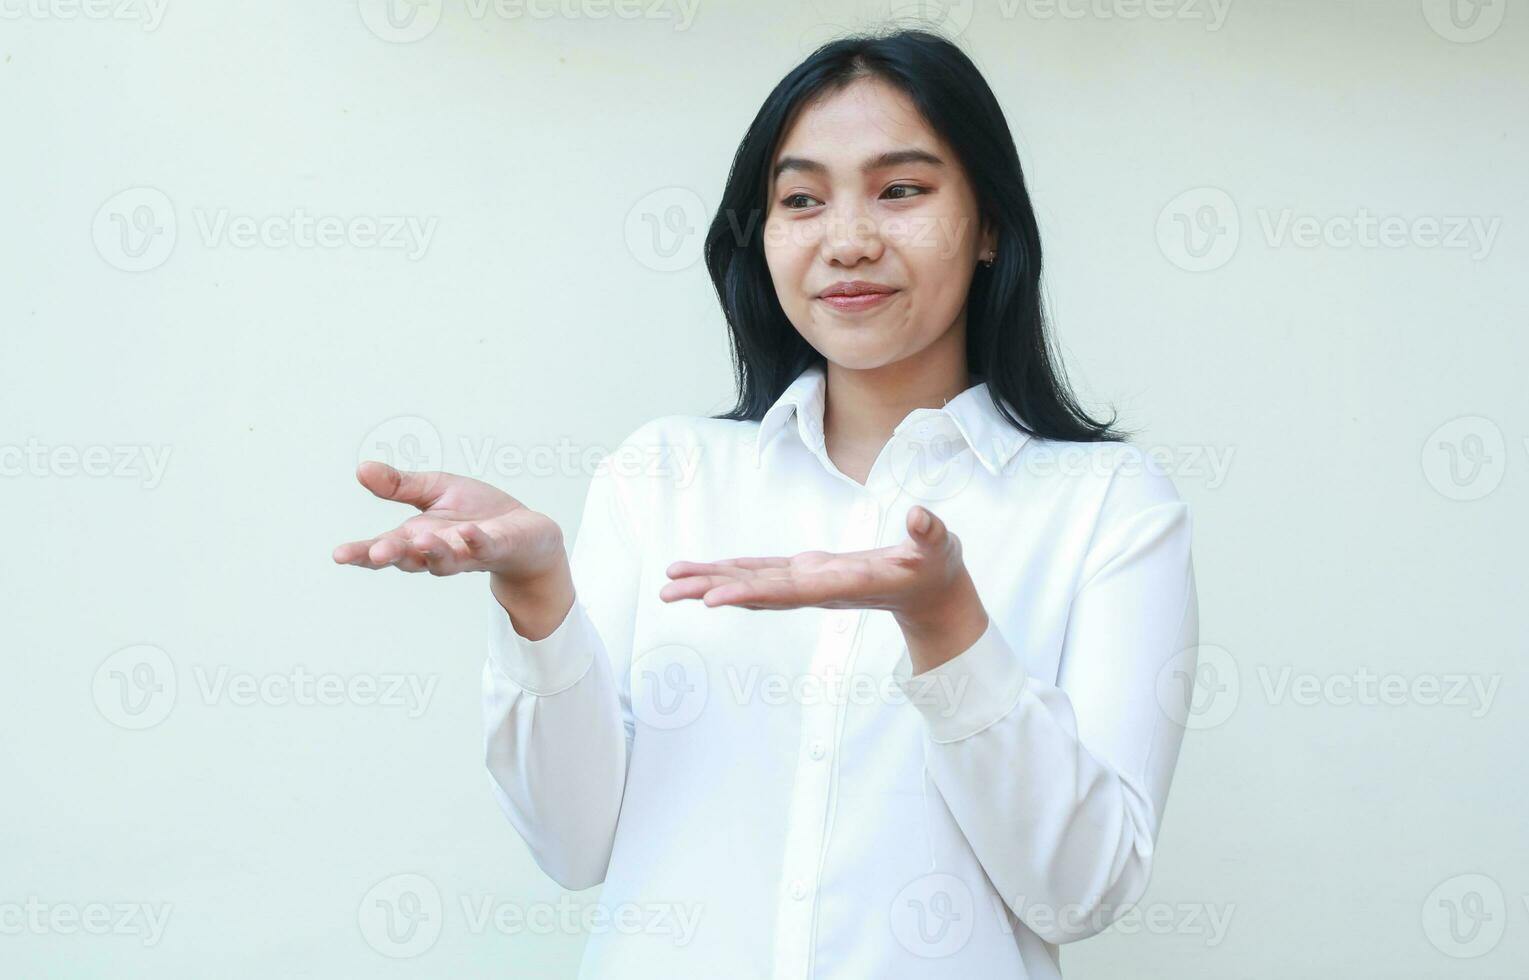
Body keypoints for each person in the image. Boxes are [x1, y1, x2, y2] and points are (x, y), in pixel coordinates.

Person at [334, 27, 1199, 980]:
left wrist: (948, 628)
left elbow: (1080, 892)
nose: (849, 239)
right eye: (800, 201)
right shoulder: (663, 476)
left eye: (901, 190)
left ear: (990, 223)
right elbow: (574, 847)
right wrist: (538, 600)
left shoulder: (1104, 507)